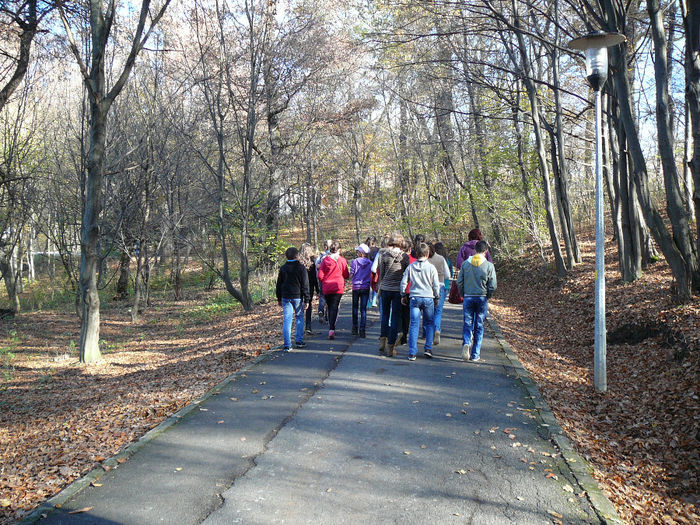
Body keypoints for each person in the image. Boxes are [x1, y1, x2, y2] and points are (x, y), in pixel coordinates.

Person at [456, 240, 497, 362]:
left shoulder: (465, 264)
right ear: (486, 251)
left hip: (468, 297)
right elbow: (493, 285)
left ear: (474, 250)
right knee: (479, 325)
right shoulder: (489, 265)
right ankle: (475, 354)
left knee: (467, 323)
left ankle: (466, 343)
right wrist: (488, 295)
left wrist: (463, 293)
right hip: (481, 297)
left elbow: (460, 281)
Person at [401, 242, 441, 361]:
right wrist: (436, 297)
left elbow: (404, 282)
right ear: (427, 254)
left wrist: (403, 294)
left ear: (416, 253)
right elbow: (435, 285)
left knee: (414, 324)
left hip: (414, 298)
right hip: (428, 298)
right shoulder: (431, 268)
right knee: (429, 323)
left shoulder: (411, 267)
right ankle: (428, 348)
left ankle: (412, 352)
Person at [376, 233, 409, 357]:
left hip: (385, 289)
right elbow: (406, 274)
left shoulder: (384, 255)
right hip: (397, 290)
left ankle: (382, 341)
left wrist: (379, 289)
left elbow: (382, 274)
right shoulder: (404, 257)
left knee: (384, 315)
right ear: (401, 243)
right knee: (395, 317)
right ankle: (391, 346)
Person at [276, 246, 310, 352]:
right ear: (297, 256)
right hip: (297, 297)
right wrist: (307, 299)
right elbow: (305, 284)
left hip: (285, 297)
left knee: (287, 320)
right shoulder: (301, 268)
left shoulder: (283, 268)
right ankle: (299, 341)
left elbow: (279, 284)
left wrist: (279, 298)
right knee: (299, 318)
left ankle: (287, 345)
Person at [317, 241, 350, 340]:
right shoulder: (342, 260)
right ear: (339, 250)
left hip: (327, 287)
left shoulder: (325, 260)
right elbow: (346, 275)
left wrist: (325, 280)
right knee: (334, 307)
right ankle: (332, 328)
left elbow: (320, 275)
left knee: (329, 305)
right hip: (338, 286)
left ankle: (330, 326)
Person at [427, 241, 451, 345]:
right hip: (441, 286)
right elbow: (448, 275)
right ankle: (437, 329)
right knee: (438, 311)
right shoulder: (442, 259)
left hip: (428, 287)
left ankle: (427, 332)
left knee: (427, 311)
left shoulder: (425, 259)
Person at [350, 243, 372, 337]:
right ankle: (362, 330)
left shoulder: (354, 262)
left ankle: (355, 327)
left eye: (358, 251)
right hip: (365, 287)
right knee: (363, 310)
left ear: (361, 253)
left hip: (356, 287)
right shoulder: (370, 263)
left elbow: (351, 274)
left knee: (355, 307)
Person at [298, 243, 319, 335]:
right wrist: (317, 290)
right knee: (308, 306)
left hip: (301, 288)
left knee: (302, 308)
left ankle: (304, 326)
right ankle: (308, 326)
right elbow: (314, 278)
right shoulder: (311, 263)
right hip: (307, 288)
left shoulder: (298, 263)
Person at [315, 240, 332, 322]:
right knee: (330, 297)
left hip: (322, 279)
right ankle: (328, 314)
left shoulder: (321, 255)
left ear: (325, 247)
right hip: (331, 279)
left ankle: (320, 310)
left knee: (322, 296)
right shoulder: (333, 256)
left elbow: (316, 265)